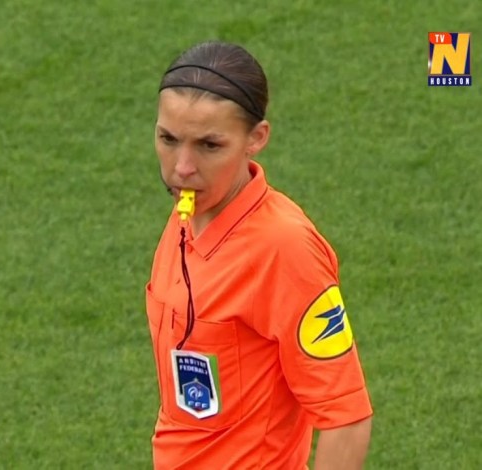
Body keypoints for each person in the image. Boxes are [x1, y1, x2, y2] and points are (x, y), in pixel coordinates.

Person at [144, 40, 373, 469]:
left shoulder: (284, 250)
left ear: (256, 139)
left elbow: (346, 418)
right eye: (168, 139)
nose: (182, 167)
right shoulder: (187, 212)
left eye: (209, 145)